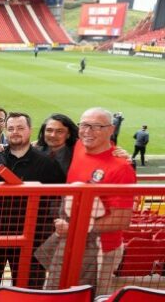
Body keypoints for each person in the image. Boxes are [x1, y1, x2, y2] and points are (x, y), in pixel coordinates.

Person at [54, 107, 136, 295]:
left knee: (90, 297)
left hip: (102, 250)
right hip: (71, 241)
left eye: (96, 126)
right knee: (61, 292)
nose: (87, 131)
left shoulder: (122, 168)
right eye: (83, 125)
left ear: (111, 129)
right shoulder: (79, 146)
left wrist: (75, 227)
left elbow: (121, 220)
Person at [0, 112, 65, 288]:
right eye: (10, 128)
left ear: (30, 130)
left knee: (28, 289)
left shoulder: (47, 164)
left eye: (20, 128)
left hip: (33, 237)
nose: (15, 132)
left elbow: (59, 198)